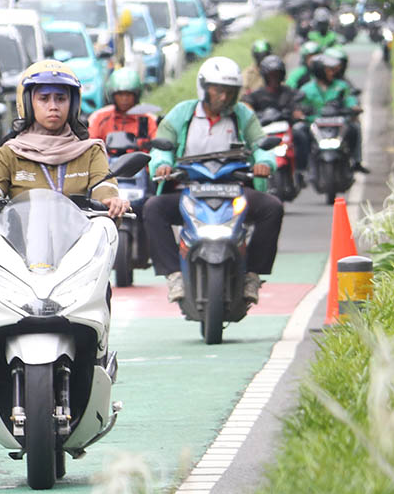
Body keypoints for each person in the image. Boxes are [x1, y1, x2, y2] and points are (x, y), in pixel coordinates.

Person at [144, 57, 284, 304]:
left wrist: (265, 163)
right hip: (189, 188)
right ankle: (174, 275)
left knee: (272, 207)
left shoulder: (243, 115)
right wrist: (163, 164)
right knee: (153, 208)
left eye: (230, 92)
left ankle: (252, 275)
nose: (223, 97)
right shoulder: (182, 113)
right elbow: (162, 146)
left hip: (234, 189)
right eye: (218, 90)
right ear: (203, 88)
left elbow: (261, 145)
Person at [0, 60, 130, 218]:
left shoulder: (91, 152)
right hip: (23, 240)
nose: (53, 106)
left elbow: (103, 185)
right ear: (27, 103)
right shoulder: (10, 152)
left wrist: (110, 200)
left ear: (73, 104)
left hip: (81, 240)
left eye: (61, 99)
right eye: (44, 99)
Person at [298, 46, 366, 172]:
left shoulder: (341, 86)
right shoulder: (306, 89)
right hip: (314, 124)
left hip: (337, 123)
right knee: (298, 130)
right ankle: (302, 167)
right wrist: (299, 112)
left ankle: (356, 161)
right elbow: (299, 105)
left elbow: (349, 99)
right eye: (328, 70)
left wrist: (353, 107)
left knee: (355, 127)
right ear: (320, 71)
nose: (332, 73)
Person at [243, 54, 310, 182]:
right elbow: (246, 106)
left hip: (287, 130)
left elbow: (299, 105)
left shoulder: (289, 92)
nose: (274, 78)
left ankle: (301, 169)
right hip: (265, 131)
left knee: (301, 132)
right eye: (271, 75)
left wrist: (298, 112)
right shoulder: (256, 95)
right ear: (265, 76)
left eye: (277, 74)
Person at [87, 68, 158, 150]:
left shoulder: (148, 120)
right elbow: (90, 145)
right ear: (112, 95)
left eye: (128, 94)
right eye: (120, 94)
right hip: (107, 158)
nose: (124, 99)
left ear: (136, 95)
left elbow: (157, 148)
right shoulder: (99, 118)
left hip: (139, 158)